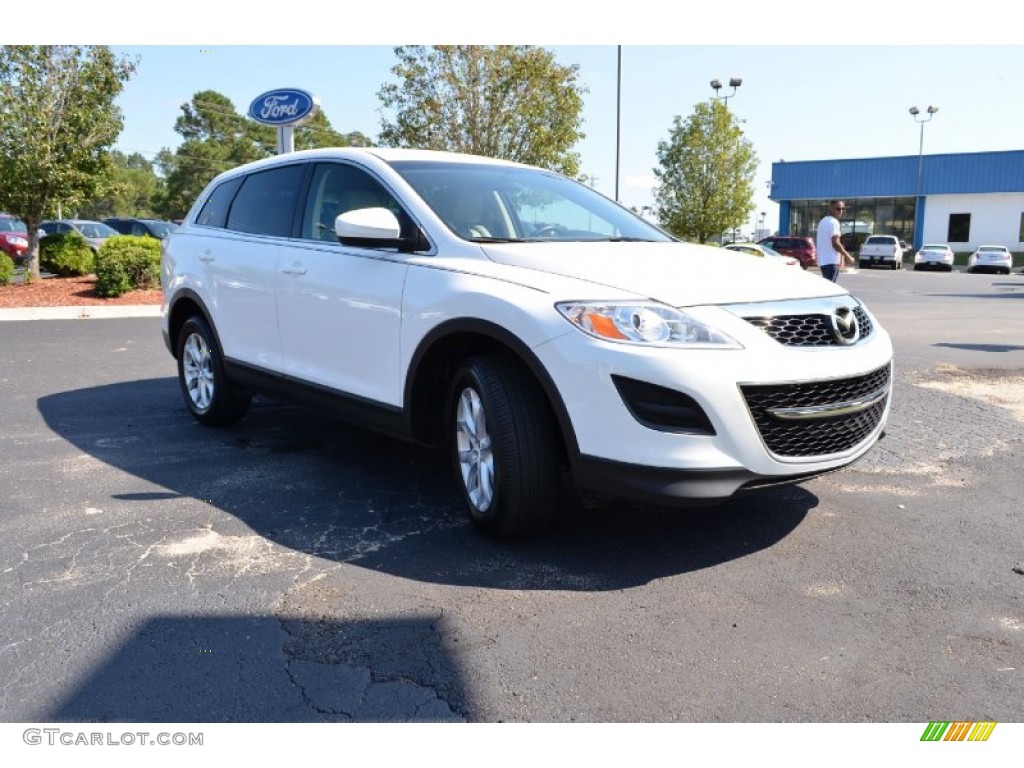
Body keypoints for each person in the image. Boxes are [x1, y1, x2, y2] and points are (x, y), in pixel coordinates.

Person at [816, 200, 854, 282]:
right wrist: (848, 257)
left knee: (827, 288)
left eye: (843, 209)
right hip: (831, 262)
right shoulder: (834, 222)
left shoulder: (822, 221)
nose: (841, 211)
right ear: (831, 209)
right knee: (830, 290)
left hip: (823, 262)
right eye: (838, 209)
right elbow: (835, 243)